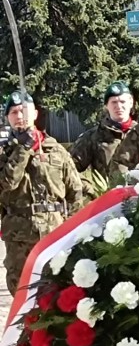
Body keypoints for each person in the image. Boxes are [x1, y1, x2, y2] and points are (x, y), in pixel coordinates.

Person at [0, 92, 82, 294]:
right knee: (21, 295)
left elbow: (75, 193)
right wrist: (23, 148)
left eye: (24, 111)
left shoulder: (56, 150)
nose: (20, 116)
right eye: (14, 112)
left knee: (56, 294)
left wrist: (70, 231)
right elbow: (6, 184)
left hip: (54, 233)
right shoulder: (4, 154)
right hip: (20, 237)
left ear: (35, 114)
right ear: (7, 118)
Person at [70, 81, 136, 189]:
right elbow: (68, 168)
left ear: (131, 103)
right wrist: (90, 188)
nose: (119, 106)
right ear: (106, 106)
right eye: (114, 102)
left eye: (123, 101)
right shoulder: (93, 137)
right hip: (107, 200)